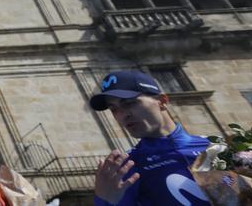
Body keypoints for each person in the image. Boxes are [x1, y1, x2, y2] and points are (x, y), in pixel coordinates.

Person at [90, 70, 211, 205]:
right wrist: (104, 201)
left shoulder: (215, 147)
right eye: (114, 109)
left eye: (129, 103)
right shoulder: (126, 168)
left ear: (162, 101)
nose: (122, 115)